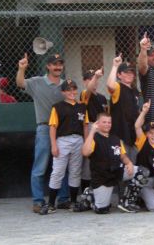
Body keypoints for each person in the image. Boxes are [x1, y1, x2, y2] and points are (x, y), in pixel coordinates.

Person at [16, 53, 70, 213]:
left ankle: (63, 199)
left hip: (63, 129)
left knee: (62, 165)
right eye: (54, 64)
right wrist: (21, 68)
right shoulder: (37, 82)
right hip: (45, 128)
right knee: (40, 166)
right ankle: (38, 201)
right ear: (48, 66)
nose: (58, 67)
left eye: (60, 64)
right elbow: (20, 83)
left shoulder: (66, 85)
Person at [39, 79, 89, 215]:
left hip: (78, 140)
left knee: (75, 171)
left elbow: (85, 126)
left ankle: (73, 202)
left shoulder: (82, 107)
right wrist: (54, 145)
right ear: (63, 92)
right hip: (63, 140)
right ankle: (51, 204)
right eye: (68, 90)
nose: (72, 92)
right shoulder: (58, 107)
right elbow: (52, 128)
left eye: (74, 89)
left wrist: (86, 142)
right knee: (58, 172)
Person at [81, 113, 141, 214]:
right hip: (102, 178)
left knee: (141, 172)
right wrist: (92, 131)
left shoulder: (116, 139)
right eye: (104, 122)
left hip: (117, 173)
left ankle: (126, 203)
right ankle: (90, 195)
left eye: (109, 122)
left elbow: (123, 156)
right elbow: (85, 152)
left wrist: (129, 163)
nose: (107, 124)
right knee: (102, 210)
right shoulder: (94, 138)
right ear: (97, 123)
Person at [107, 54, 140, 161]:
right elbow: (110, 85)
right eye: (126, 72)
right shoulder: (118, 87)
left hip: (132, 135)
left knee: (134, 165)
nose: (130, 75)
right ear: (119, 75)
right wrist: (115, 66)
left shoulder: (135, 91)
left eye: (131, 72)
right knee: (122, 165)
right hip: (120, 134)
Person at [80, 68, 108, 191]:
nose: (94, 81)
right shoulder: (84, 94)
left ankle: (99, 189)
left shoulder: (102, 98)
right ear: (84, 81)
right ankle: (85, 192)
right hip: (90, 127)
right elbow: (89, 90)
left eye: (95, 79)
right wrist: (96, 76)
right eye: (90, 79)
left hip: (102, 130)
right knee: (88, 162)